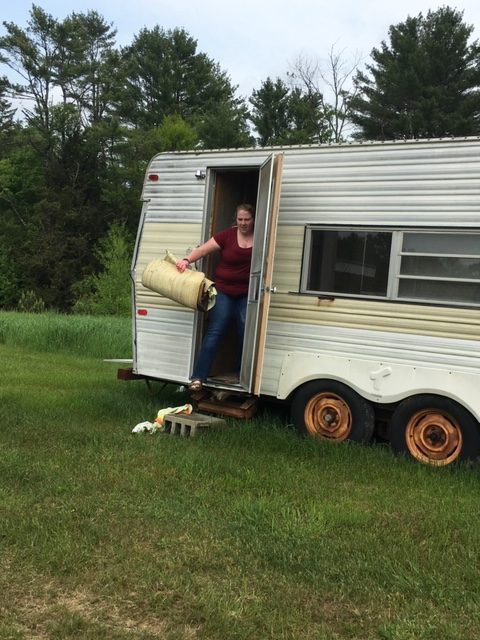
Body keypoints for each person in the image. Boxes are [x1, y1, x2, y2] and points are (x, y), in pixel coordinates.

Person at [176, 203, 255, 391]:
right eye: (240, 219)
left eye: (247, 219)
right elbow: (203, 250)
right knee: (215, 331)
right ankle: (198, 377)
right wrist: (186, 260)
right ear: (236, 219)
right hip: (224, 291)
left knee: (246, 332)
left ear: (253, 220)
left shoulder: (260, 237)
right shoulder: (227, 235)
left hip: (247, 293)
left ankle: (240, 374)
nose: (243, 223)